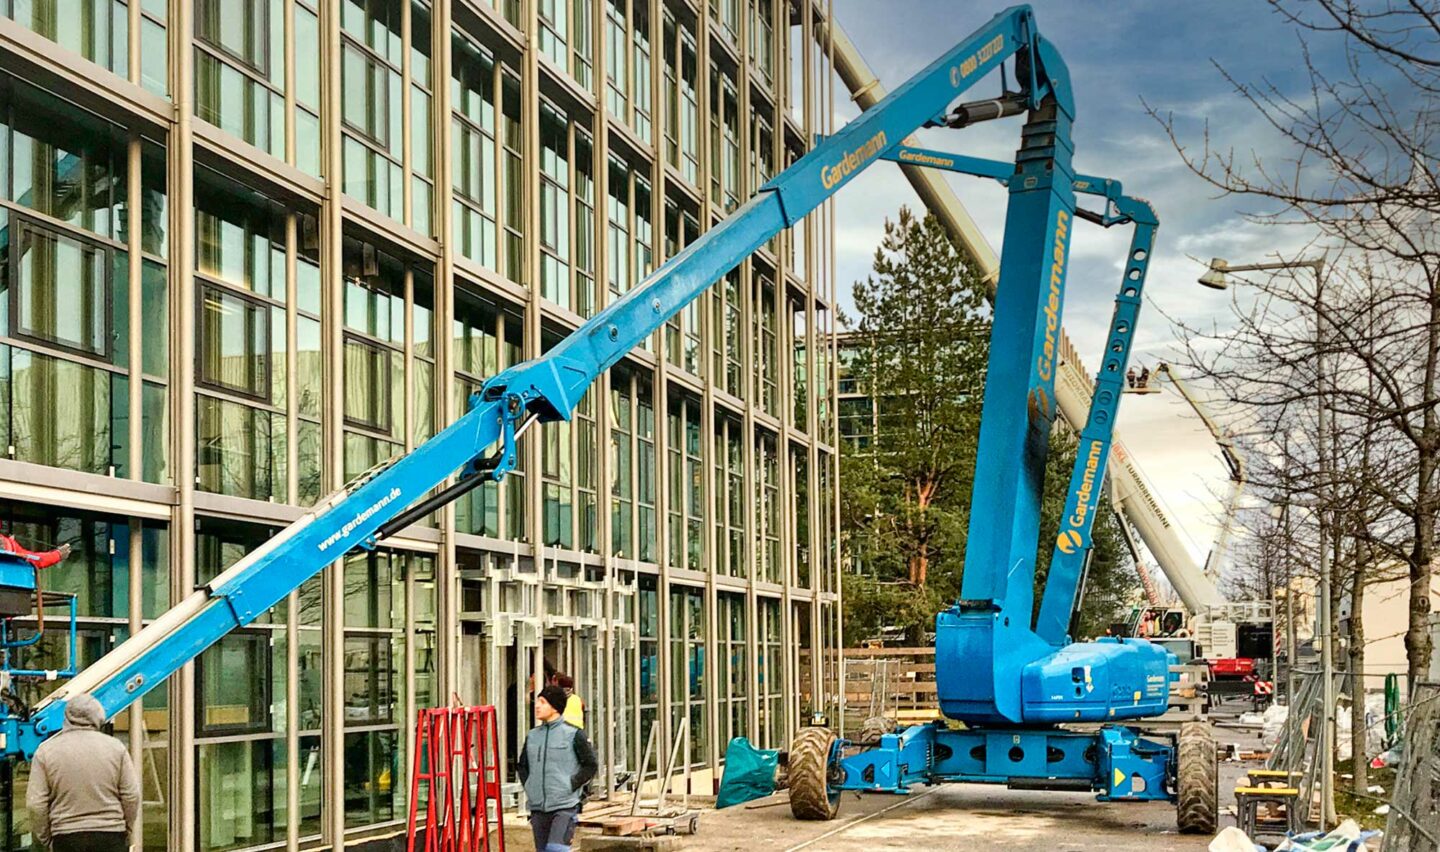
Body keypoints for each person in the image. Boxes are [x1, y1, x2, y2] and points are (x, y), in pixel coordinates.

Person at [27, 694, 140, 852]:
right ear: (98, 716)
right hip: (111, 836)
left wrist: (46, 839)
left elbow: (36, 804)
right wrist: (124, 829)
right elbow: (131, 796)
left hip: (66, 837)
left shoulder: (45, 752)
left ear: (66, 716)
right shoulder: (116, 748)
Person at [517, 685, 597, 852]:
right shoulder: (533, 735)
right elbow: (522, 766)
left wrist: (570, 785)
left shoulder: (573, 734)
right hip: (538, 808)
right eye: (537, 701)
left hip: (564, 806)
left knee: (555, 849)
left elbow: (590, 765)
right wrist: (531, 787)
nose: (537, 706)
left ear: (555, 707)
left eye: (542, 702)